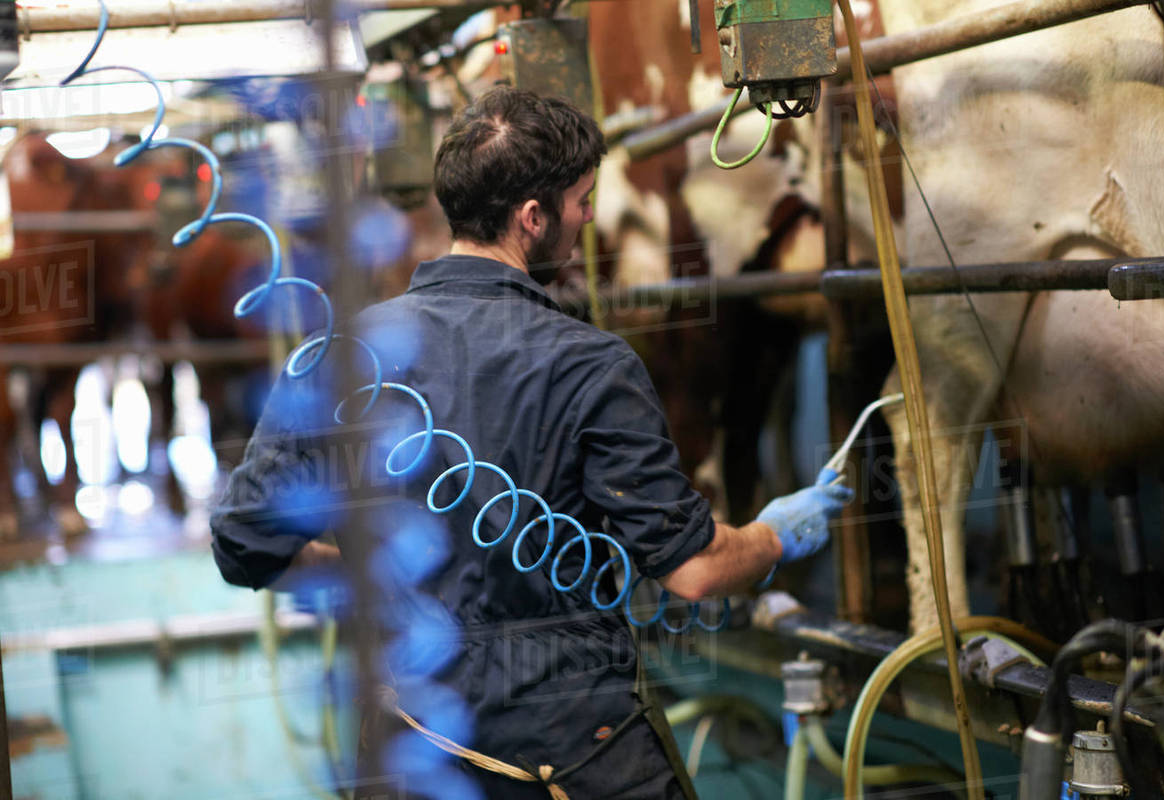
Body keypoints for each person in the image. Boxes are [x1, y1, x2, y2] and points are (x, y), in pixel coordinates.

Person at [210, 86, 853, 800]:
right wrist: (776, 536)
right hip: (569, 751)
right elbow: (693, 572)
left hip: (408, 742)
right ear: (532, 217)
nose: (586, 218)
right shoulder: (591, 364)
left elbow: (244, 542)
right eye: (581, 200)